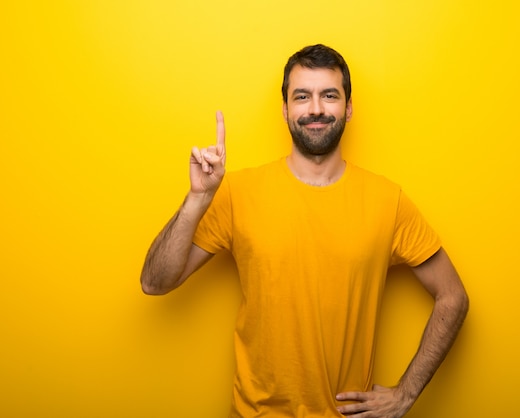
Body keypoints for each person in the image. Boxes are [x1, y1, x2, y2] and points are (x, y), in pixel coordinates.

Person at [140, 44, 469, 417]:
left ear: (348, 108)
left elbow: (453, 297)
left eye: (329, 95)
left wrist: (405, 395)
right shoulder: (235, 192)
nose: (315, 108)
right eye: (302, 96)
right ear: (285, 111)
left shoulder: (387, 201)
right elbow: (155, 282)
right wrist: (197, 199)